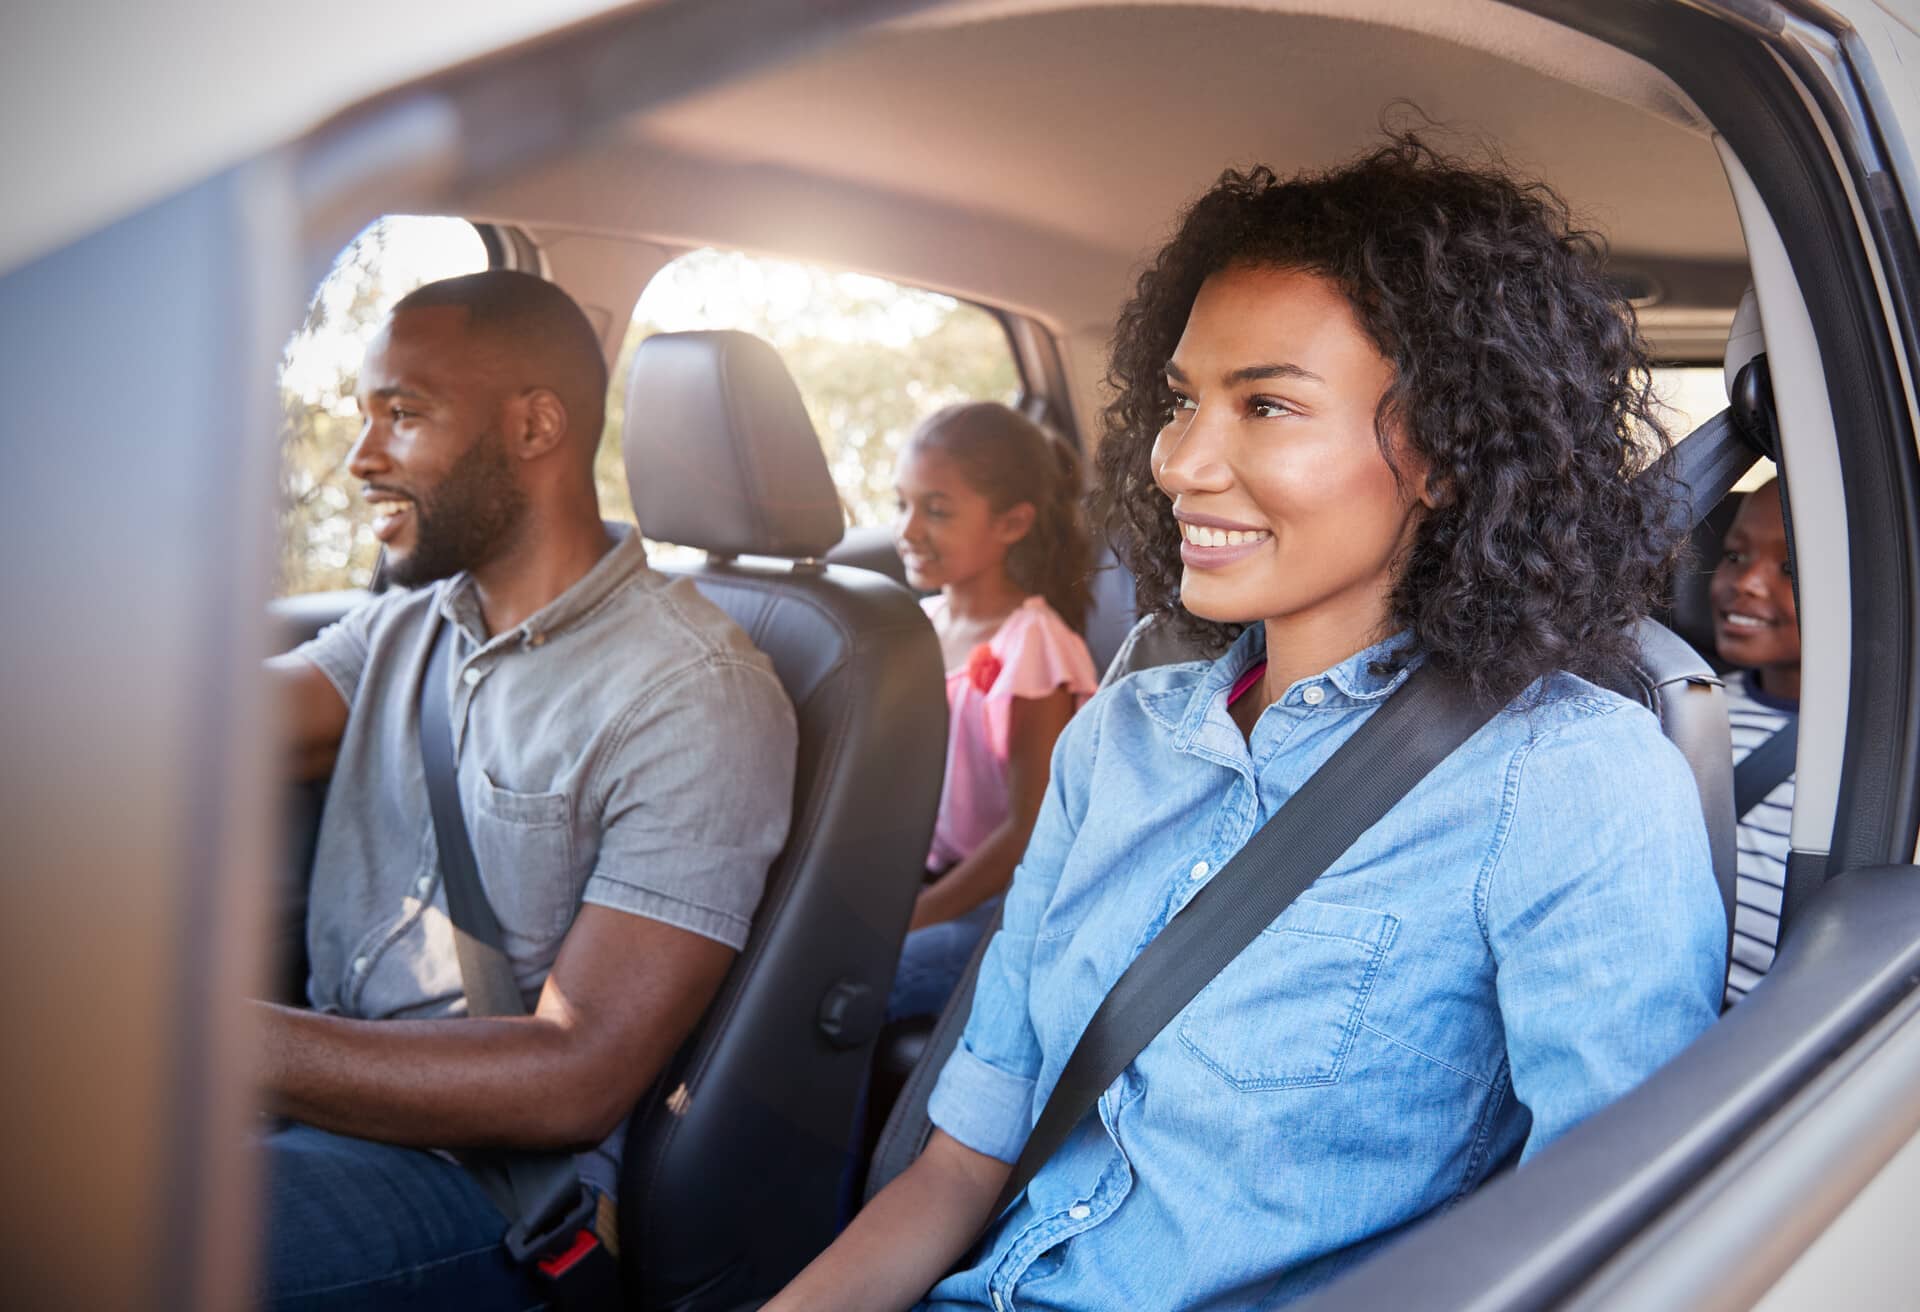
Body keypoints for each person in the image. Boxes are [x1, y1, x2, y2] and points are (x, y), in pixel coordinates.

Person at [768, 134, 1725, 1312]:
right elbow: (960, 1164)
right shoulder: (1120, 736)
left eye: (1265, 403)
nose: (1179, 461)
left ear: (1443, 453)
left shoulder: (1567, 778)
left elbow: (1623, 1247)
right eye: (1182, 401)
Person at [259, 270, 797, 1310]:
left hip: (495, 1192)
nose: (363, 457)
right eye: (364, 416)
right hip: (332, 1107)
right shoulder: (407, 626)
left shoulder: (693, 692)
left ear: (536, 425)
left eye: (402, 415)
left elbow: (573, 1071)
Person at [887, 403, 1100, 1021]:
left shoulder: (1033, 644)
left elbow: (1028, 829)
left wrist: (916, 917)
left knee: (851, 975)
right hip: (925, 878)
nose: (908, 529)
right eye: (902, 503)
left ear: (1012, 524)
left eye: (937, 510)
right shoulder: (918, 626)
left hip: (999, 906)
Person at [1711, 481, 1800, 1004]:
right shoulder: (1689, 706)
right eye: (1734, 555)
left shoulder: (1883, 754)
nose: (1745, 582)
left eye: (1791, 568)